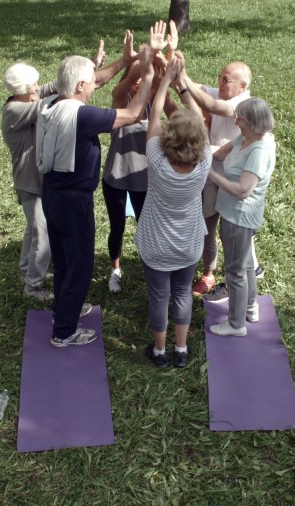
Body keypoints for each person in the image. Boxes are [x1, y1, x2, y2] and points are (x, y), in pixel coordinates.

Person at [37, 23, 165, 348]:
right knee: (80, 264)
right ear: (81, 85)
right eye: (91, 82)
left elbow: (100, 79)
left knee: (64, 259)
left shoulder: (50, 101)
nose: (96, 84)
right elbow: (133, 113)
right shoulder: (82, 115)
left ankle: (64, 309)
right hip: (74, 199)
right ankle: (64, 331)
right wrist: (148, 71)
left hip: (51, 194)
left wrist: (125, 61)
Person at [2, 35, 139, 301]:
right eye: (33, 85)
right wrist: (95, 75)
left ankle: (26, 272)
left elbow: (72, 85)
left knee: (34, 229)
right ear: (22, 89)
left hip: (44, 178)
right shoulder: (17, 110)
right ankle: (33, 286)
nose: (39, 87)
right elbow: (67, 96)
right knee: (41, 233)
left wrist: (98, 67)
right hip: (31, 181)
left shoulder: (30, 97)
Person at [135, 54, 211, 368]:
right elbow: (200, 122)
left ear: (169, 137)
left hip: (155, 244)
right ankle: (181, 350)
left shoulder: (156, 159)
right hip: (188, 243)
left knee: (158, 296)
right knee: (181, 293)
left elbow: (154, 115)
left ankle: (160, 352)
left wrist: (164, 80)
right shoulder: (204, 161)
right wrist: (182, 85)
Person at [101, 22, 180, 294]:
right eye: (134, 80)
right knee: (117, 226)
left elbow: (164, 85)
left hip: (144, 181)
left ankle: (150, 267)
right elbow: (121, 88)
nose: (137, 85)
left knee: (147, 227)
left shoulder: (154, 105)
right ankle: (115, 269)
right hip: (115, 178)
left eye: (141, 81)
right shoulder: (121, 103)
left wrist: (166, 54)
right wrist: (140, 62)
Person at [177, 58, 263, 298]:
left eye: (226, 80)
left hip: (232, 179)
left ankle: (244, 276)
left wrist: (182, 81)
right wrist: (172, 66)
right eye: (220, 77)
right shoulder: (223, 93)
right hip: (213, 173)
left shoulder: (242, 105)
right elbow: (196, 89)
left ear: (242, 86)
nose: (221, 83)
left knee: (233, 232)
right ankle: (211, 274)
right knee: (209, 226)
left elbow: (210, 105)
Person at [205, 98, 276, 337]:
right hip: (233, 213)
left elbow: (243, 190)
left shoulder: (259, 151)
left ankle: (236, 324)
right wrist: (199, 150)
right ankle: (250, 307)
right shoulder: (245, 138)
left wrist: (212, 175)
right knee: (245, 265)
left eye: (240, 118)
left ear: (252, 122)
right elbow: (219, 154)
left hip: (240, 217)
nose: (235, 121)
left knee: (234, 271)